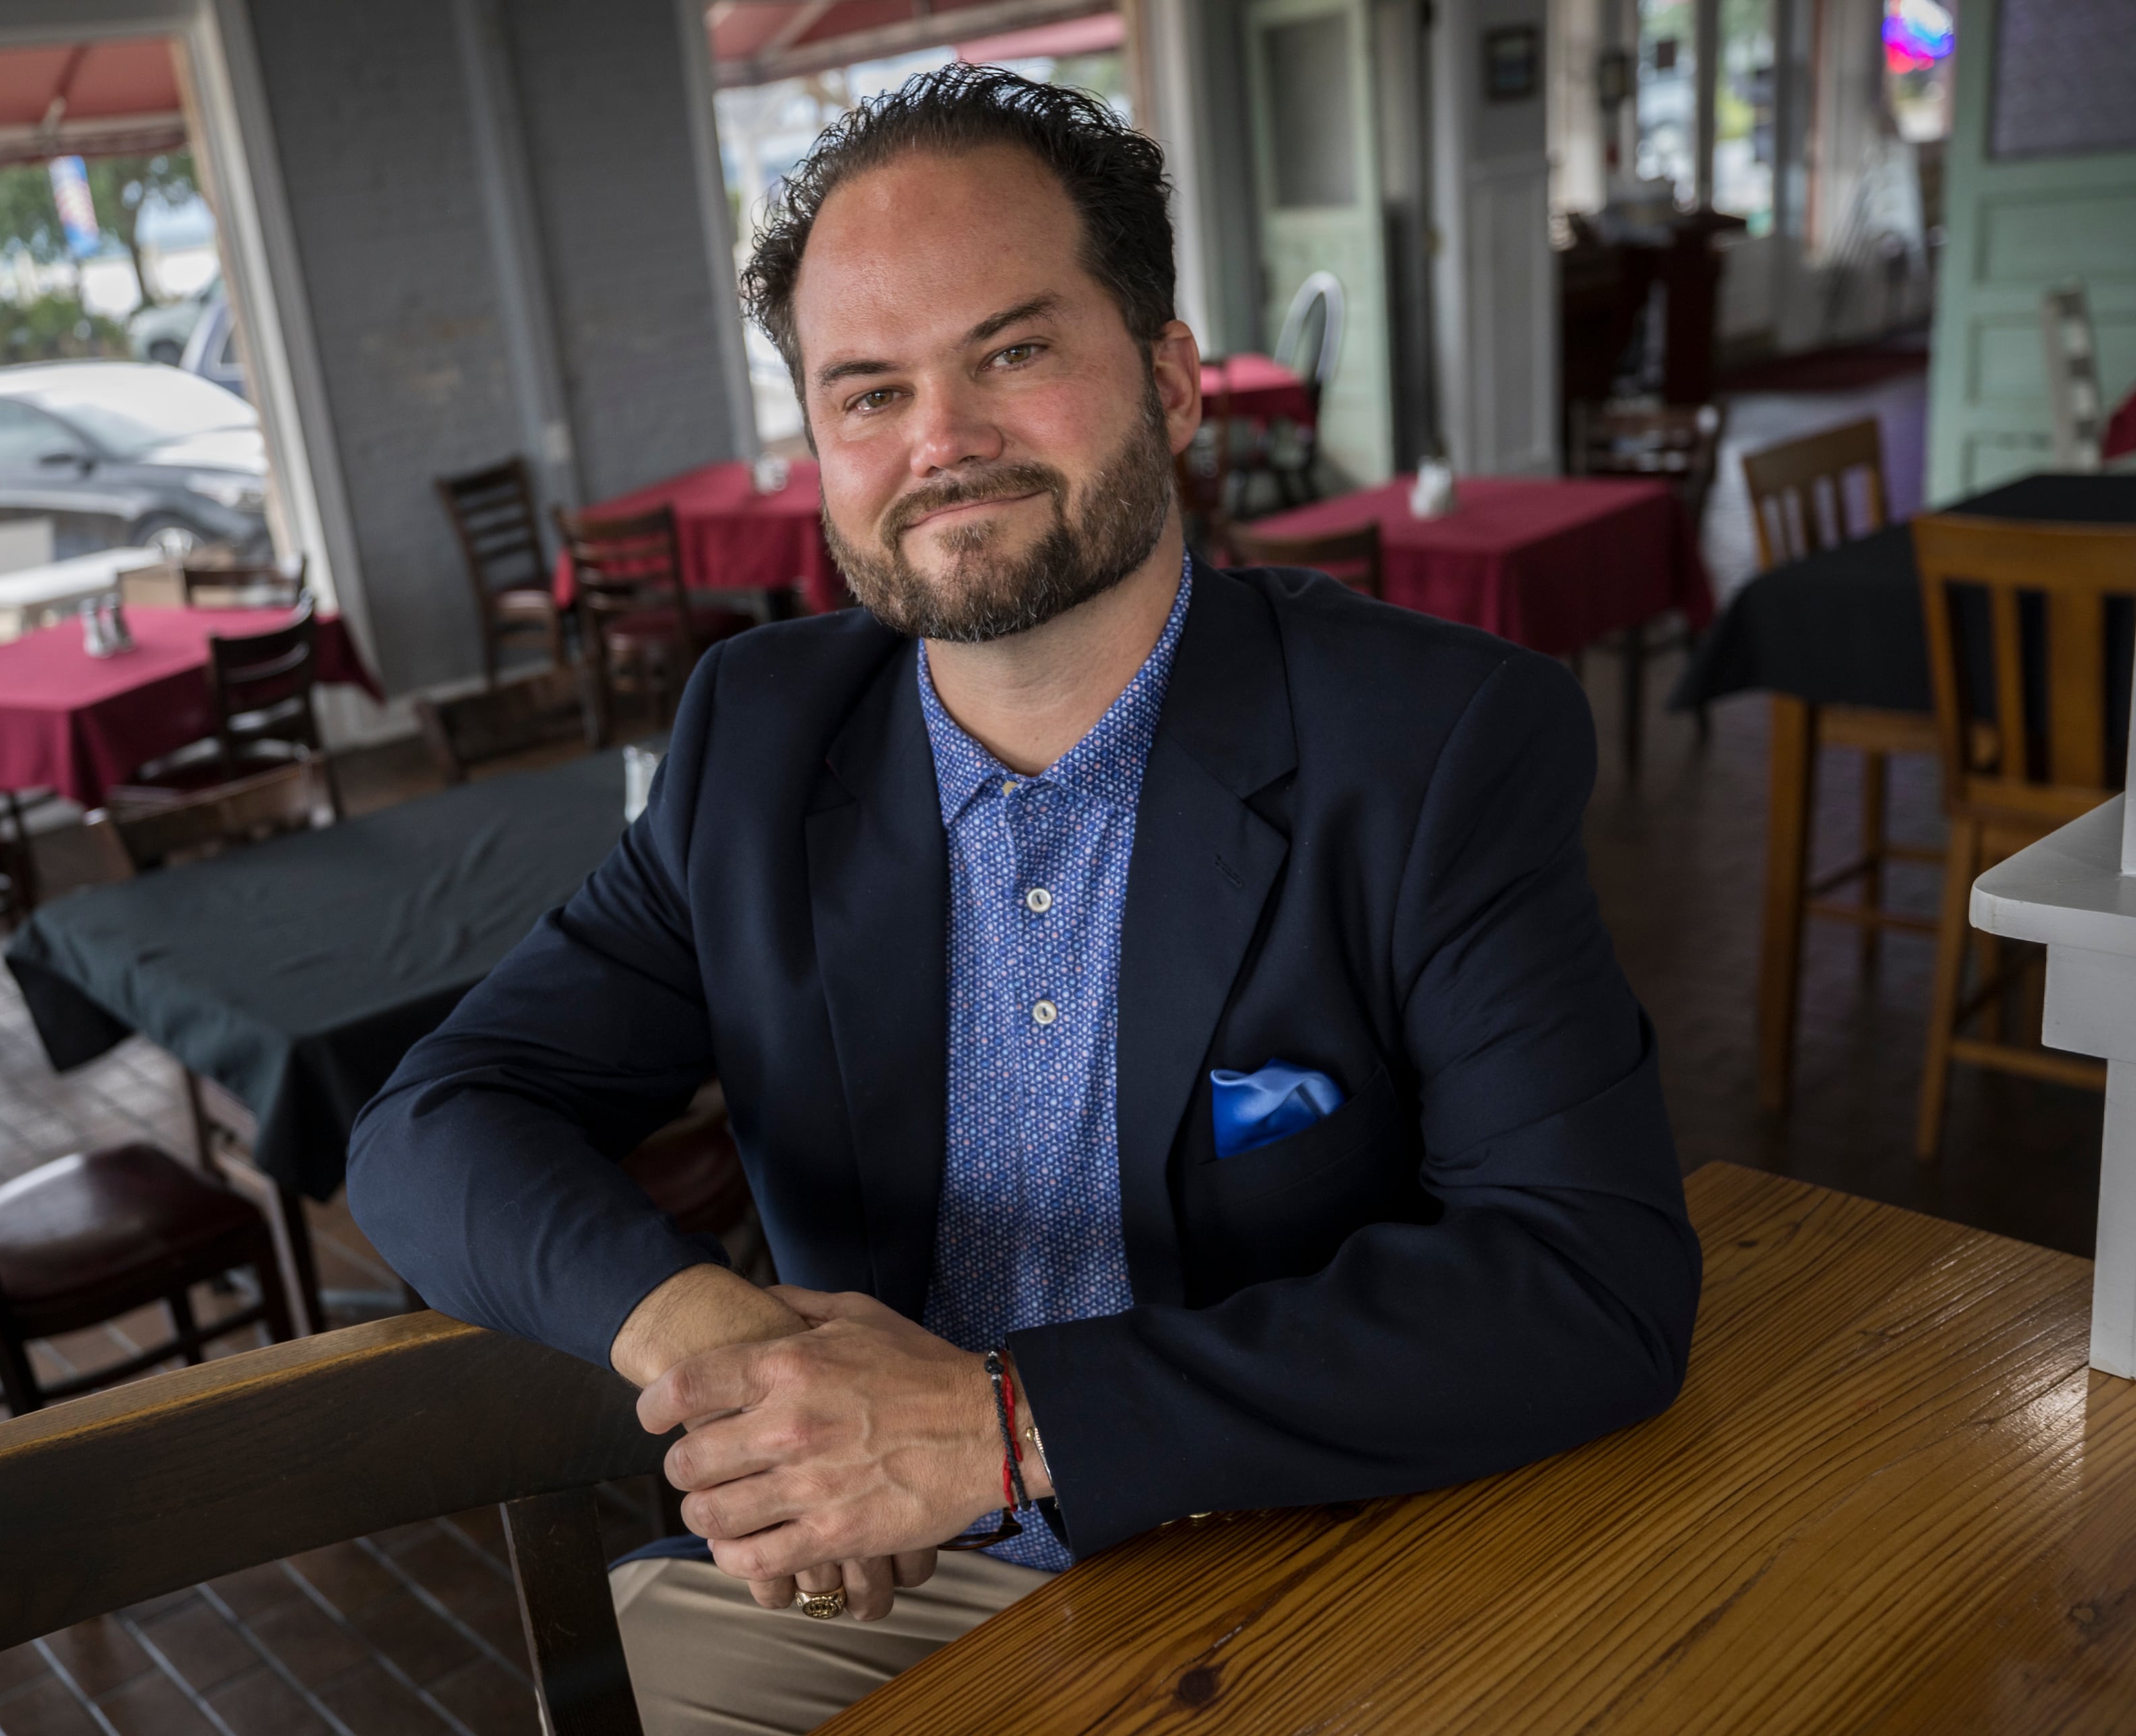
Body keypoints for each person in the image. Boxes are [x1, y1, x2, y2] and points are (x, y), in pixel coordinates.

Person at [348, 65, 1699, 1736]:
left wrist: (1001, 1421)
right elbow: (429, 1125)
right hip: (898, 1597)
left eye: (1013, 349)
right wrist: (727, 1342)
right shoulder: (759, 742)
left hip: (1323, 1567)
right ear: (824, 455)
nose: (943, 443)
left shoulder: (1431, 744)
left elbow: (1594, 1284)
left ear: (1173, 378)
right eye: (867, 393)